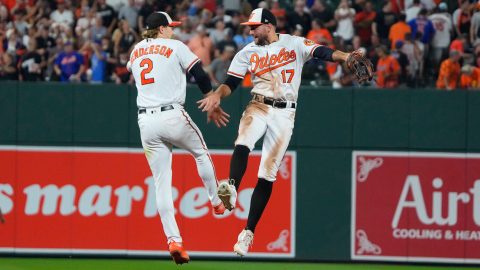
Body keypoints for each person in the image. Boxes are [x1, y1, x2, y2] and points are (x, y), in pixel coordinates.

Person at [197, 8, 369, 256]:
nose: (250, 30)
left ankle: (247, 233)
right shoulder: (247, 52)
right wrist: (216, 94)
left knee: (267, 173)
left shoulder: (293, 43)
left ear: (269, 25)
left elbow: (322, 52)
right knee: (243, 141)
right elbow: (231, 83)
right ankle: (232, 187)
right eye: (250, 27)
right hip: (258, 104)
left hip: (285, 113)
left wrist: (345, 57)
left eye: (254, 26)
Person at [127, 11, 229, 265]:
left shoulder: (136, 50)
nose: (173, 30)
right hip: (171, 114)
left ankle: (174, 240)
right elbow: (200, 75)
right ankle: (216, 201)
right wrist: (211, 99)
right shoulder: (175, 46)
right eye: (170, 26)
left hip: (146, 123)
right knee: (201, 153)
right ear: (161, 29)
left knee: (161, 183)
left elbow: (134, 70)